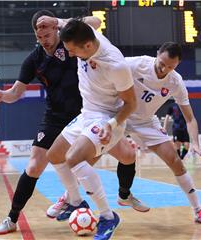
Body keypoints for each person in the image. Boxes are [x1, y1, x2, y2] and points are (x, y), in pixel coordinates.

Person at [0, 10, 103, 235]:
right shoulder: (34, 59)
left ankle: (72, 198)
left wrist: (61, 21)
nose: (44, 39)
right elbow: (16, 92)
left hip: (85, 113)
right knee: (33, 166)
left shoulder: (72, 41)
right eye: (39, 35)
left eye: (47, 32)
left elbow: (96, 22)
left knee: (86, 160)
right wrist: (2, 96)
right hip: (54, 116)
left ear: (55, 29)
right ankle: (12, 218)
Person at [45, 19, 137, 240]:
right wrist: (56, 22)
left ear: (87, 46)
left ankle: (107, 216)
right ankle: (76, 202)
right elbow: (92, 20)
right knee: (54, 155)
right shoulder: (88, 32)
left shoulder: (116, 65)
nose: (70, 55)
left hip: (107, 118)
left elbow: (131, 104)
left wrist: (112, 124)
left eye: (72, 51)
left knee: (73, 159)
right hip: (87, 113)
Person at [116, 42, 201, 225]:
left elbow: (190, 119)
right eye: (162, 63)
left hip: (145, 122)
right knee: (91, 151)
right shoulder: (137, 64)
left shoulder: (175, 81)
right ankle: (71, 197)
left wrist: (195, 143)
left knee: (175, 161)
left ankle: (198, 210)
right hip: (118, 114)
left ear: (177, 65)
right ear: (157, 54)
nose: (164, 69)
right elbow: (109, 69)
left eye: (171, 66)